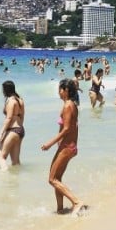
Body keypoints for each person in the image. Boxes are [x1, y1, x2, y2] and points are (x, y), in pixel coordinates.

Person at [41, 79, 85, 216]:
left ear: (66, 90)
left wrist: (50, 143)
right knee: (57, 178)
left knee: (52, 179)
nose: (58, 92)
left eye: (60, 89)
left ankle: (76, 202)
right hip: (68, 146)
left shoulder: (67, 106)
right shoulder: (71, 104)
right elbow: (73, 127)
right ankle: (60, 209)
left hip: (67, 146)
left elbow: (66, 129)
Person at [0, 80, 25, 170]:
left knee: (1, 156)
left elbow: (8, 118)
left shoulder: (11, 101)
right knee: (15, 162)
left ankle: (5, 177)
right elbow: (22, 117)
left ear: (6, 90)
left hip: (13, 130)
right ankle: (16, 180)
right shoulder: (20, 100)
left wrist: (1, 133)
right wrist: (19, 128)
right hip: (20, 130)